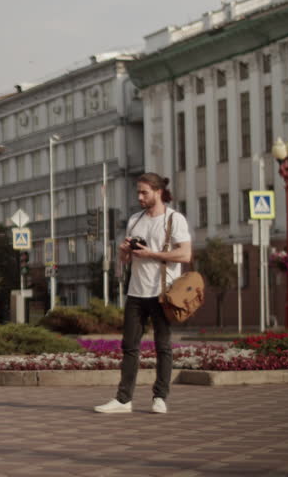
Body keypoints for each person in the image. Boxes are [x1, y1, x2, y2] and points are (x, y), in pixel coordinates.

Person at [94, 173, 191, 414]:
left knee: (163, 346)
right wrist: (124, 251)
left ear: (157, 192)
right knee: (129, 346)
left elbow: (185, 255)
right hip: (136, 292)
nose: (139, 197)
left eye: (144, 192)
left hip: (162, 293)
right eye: (138, 192)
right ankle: (123, 399)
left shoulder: (173, 219)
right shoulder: (135, 220)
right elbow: (126, 261)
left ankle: (160, 397)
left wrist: (152, 254)